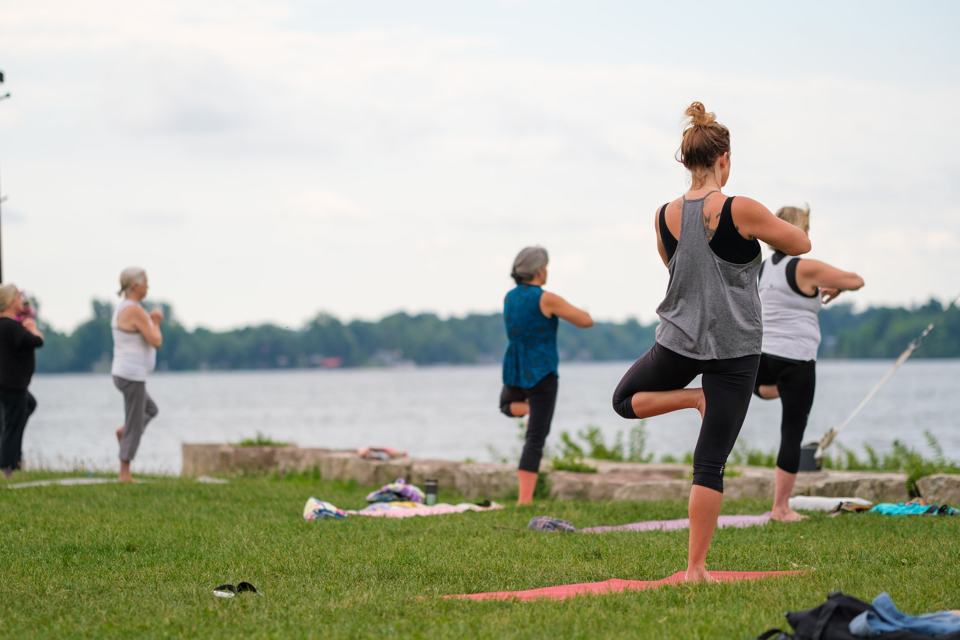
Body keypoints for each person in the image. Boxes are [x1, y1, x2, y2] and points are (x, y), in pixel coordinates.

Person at [611, 102, 811, 582]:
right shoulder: (741, 208)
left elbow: (676, 268)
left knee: (623, 400)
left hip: (678, 340)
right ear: (725, 160)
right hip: (735, 350)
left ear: (686, 162)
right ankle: (695, 569)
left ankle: (693, 398)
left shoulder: (664, 215)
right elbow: (800, 244)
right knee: (709, 464)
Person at [753, 205, 864, 522]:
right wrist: (837, 286)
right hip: (796, 359)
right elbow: (856, 280)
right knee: (792, 432)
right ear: (799, 231)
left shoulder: (762, 268)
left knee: (759, 390)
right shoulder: (803, 267)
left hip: (763, 357)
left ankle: (785, 389)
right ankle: (781, 509)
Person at [500, 246, 593, 506]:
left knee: (506, 406)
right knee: (536, 436)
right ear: (540, 270)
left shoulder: (509, 297)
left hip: (514, 367)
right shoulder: (545, 298)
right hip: (541, 371)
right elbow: (585, 320)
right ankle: (524, 500)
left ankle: (531, 408)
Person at [111, 267, 163, 483]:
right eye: (146, 282)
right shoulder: (133, 309)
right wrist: (156, 323)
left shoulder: (127, 308)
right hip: (132, 375)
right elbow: (155, 341)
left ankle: (124, 433)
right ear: (136, 285)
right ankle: (124, 473)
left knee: (150, 410)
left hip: (127, 374)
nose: (148, 286)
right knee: (134, 423)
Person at [0, 284, 43, 478]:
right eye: (18, 297)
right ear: (10, 302)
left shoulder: (6, 326)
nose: (22, 301)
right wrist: (33, 328)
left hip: (10, 385)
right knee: (12, 426)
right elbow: (37, 341)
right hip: (13, 385)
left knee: (29, 405)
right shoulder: (11, 326)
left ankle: (14, 461)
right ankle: (7, 468)